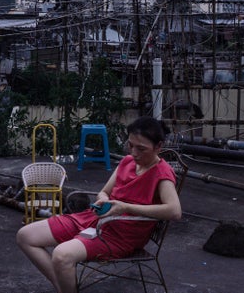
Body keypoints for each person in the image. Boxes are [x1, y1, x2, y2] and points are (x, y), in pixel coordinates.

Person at [16, 116, 181, 293]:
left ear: (159, 147)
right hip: (95, 219)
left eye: (141, 149)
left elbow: (174, 211)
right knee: (26, 236)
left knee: (62, 255)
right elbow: (104, 192)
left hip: (122, 235)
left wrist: (125, 207)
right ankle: (64, 287)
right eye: (130, 145)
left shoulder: (162, 172)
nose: (134, 153)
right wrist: (103, 199)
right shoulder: (127, 162)